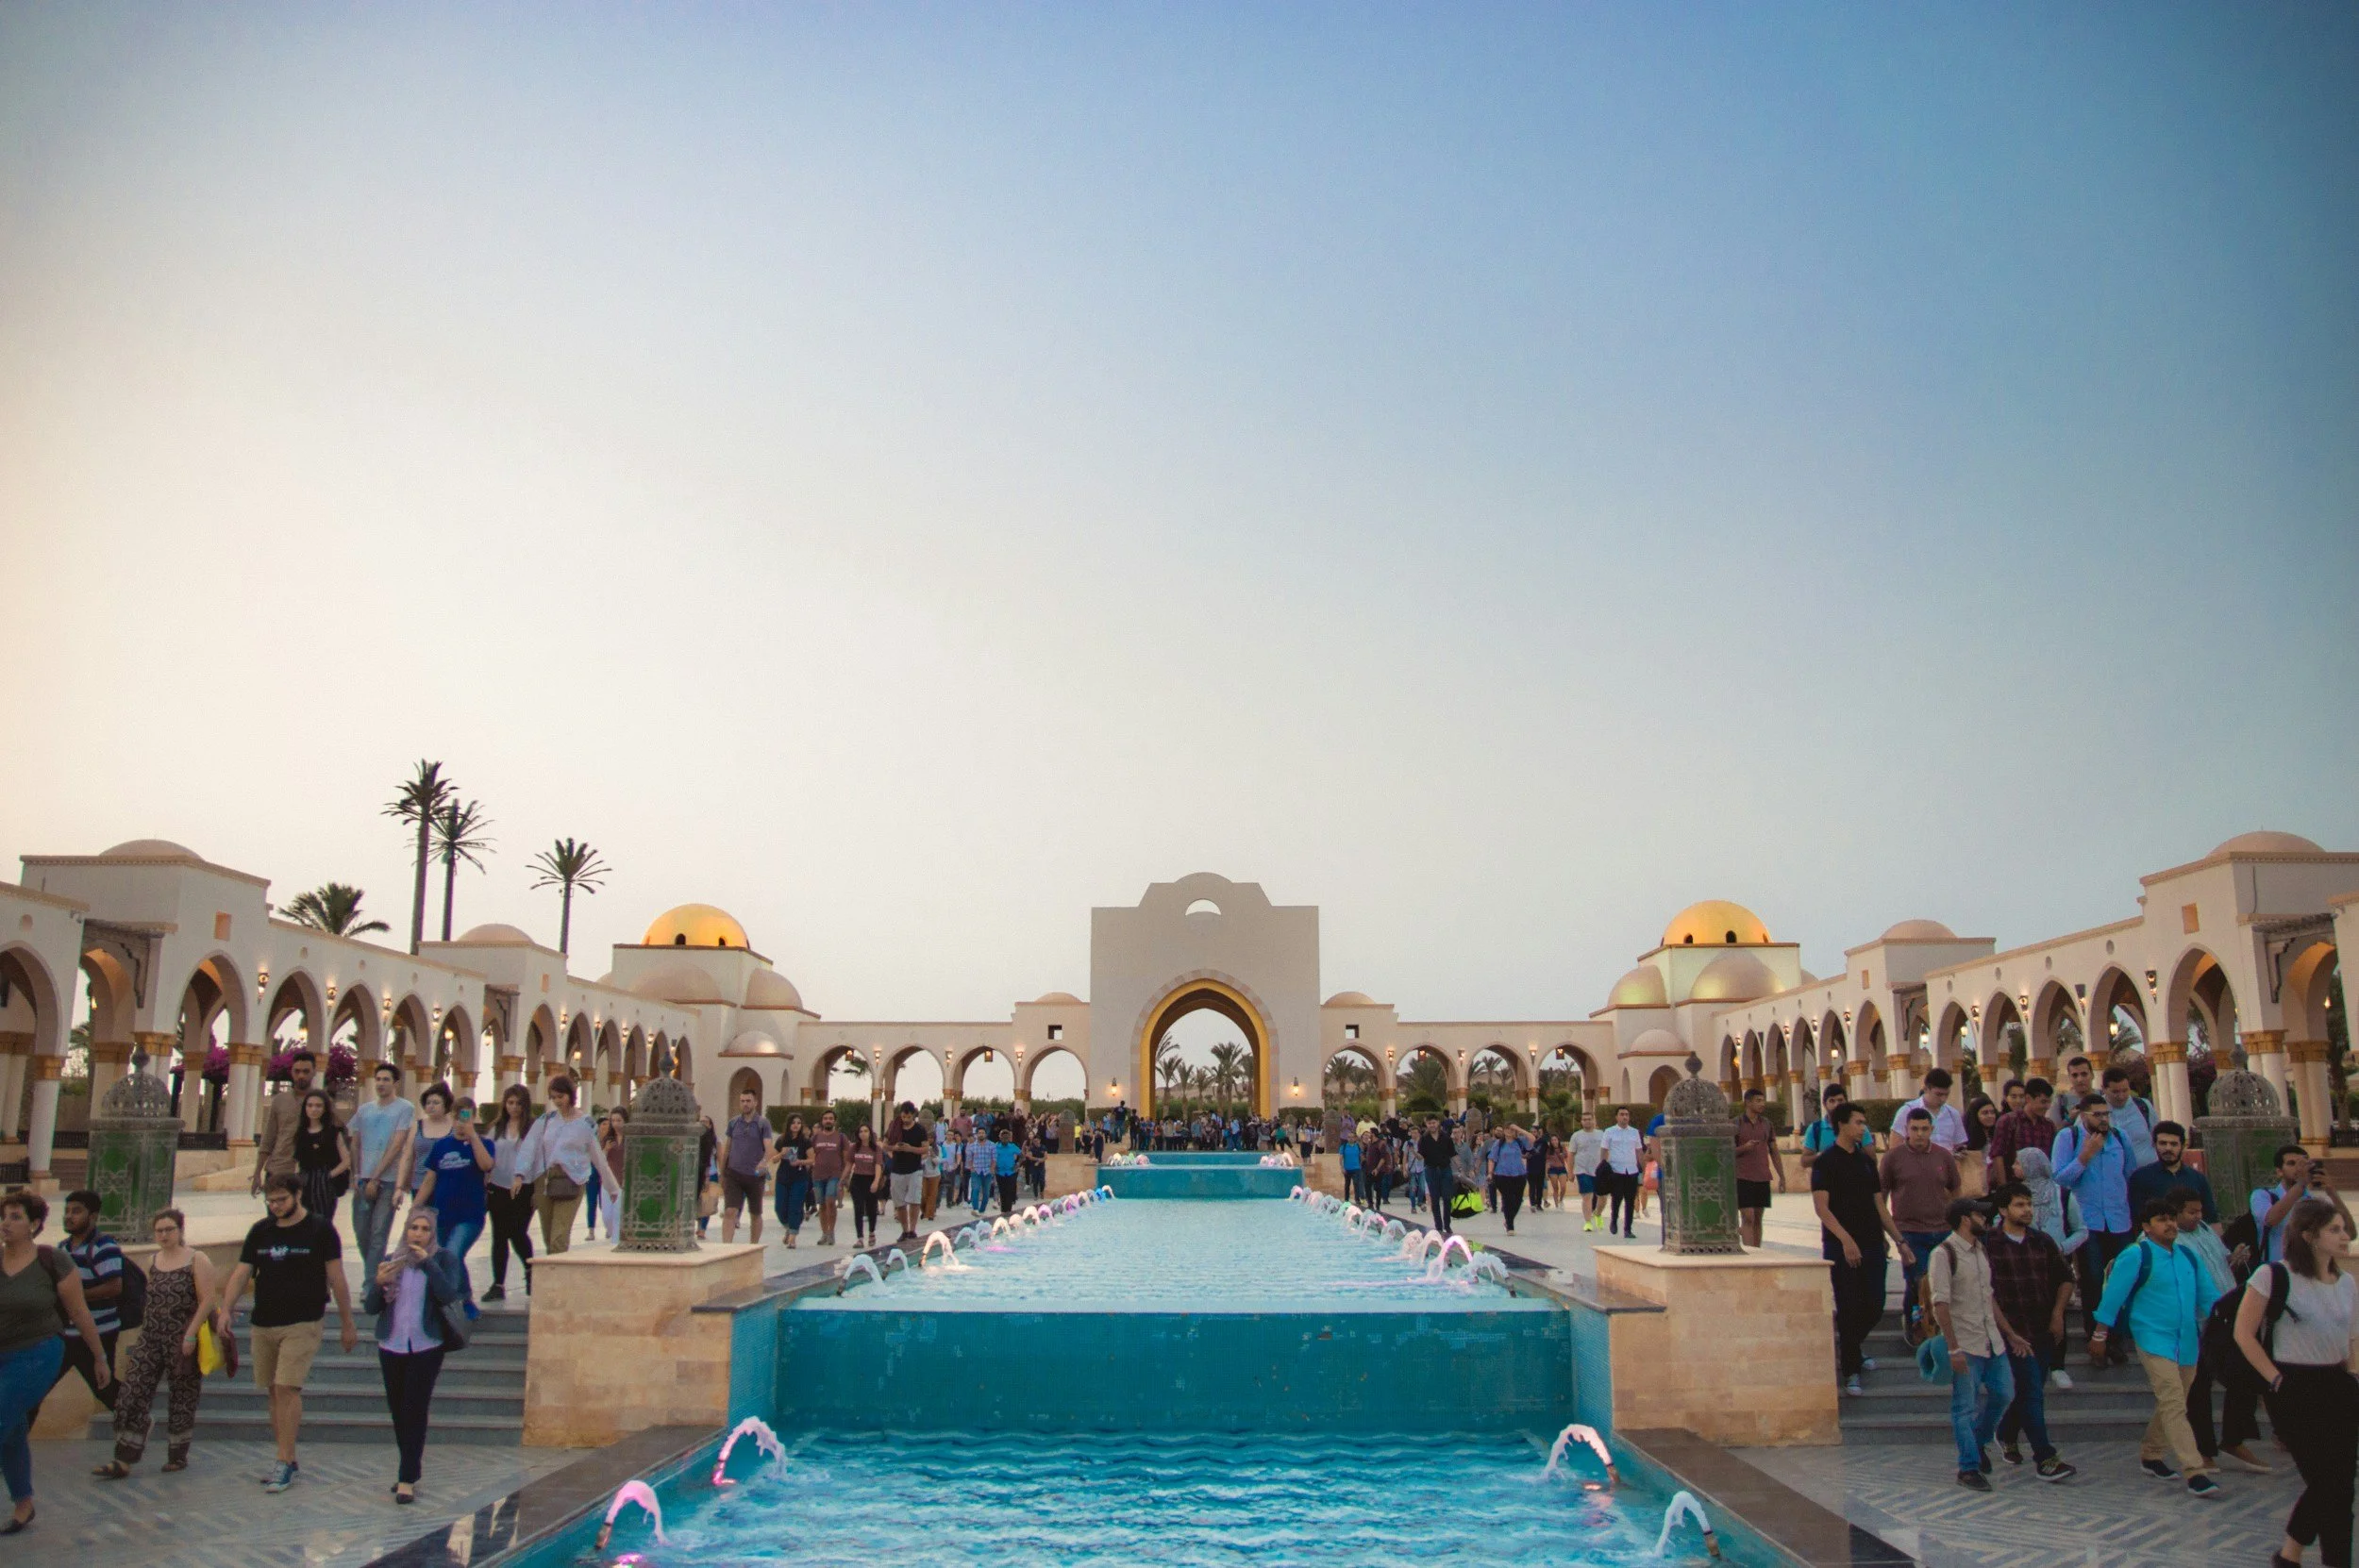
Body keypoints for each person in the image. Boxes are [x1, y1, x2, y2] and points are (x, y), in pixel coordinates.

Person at [2235, 1197, 2359, 1568]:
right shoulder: (2273, 1275)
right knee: (2325, 1482)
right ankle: (2290, 1554)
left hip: (2337, 1382)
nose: (2344, 1236)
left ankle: (2311, 1558)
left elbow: (2351, 1337)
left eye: (2343, 1229)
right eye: (2334, 1230)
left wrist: (2352, 1375)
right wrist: (2275, 1379)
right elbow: (2244, 1333)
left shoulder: (2347, 1282)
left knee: (2342, 1485)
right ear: (2309, 1235)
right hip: (2293, 1386)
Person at [217, 1174, 360, 1493]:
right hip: (264, 1320)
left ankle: (283, 1461)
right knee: (272, 1390)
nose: (275, 1205)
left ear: (297, 1194)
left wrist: (348, 1323)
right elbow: (242, 1272)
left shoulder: (320, 1229)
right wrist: (226, 1308)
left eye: (281, 1199)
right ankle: (287, 1456)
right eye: (270, 1201)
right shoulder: (261, 1231)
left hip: (303, 1320)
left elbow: (336, 1277)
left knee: (287, 1388)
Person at [2091, 1195, 2221, 1498]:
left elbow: (2210, 1297)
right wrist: (2099, 1335)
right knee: (2174, 1400)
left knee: (2175, 1400)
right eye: (2162, 1220)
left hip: (2187, 1340)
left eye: (2172, 1219)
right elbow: (2112, 1298)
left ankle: (2152, 1453)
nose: (2170, 1225)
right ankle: (2195, 1471)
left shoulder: (2188, 1256)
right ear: (2146, 1227)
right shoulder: (2135, 1255)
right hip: (2152, 1338)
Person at [0, 1192, 110, 1532]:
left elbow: (79, 1311)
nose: (6, 1222)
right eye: (4, 1216)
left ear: (34, 1224)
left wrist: (99, 1357)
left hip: (39, 1353)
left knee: (1, 1417)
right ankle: (24, 1503)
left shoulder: (54, 1261)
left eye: (16, 1216)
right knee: (13, 1429)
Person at [93, 1208, 215, 1479]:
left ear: (180, 1230)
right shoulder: (152, 1261)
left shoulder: (197, 1259)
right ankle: (124, 1457)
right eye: (159, 1230)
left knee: (182, 1395)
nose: (163, 1234)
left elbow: (208, 1299)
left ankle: (177, 1455)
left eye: (169, 1229)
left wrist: (191, 1334)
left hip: (182, 1336)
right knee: (131, 1392)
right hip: (150, 1336)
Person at [363, 1207, 467, 1505]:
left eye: (424, 1229)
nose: (418, 1234)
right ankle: (410, 1466)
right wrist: (379, 1283)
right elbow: (372, 1308)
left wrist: (429, 1265)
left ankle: (406, 1476)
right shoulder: (391, 1260)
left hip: (426, 1345)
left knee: (414, 1408)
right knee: (398, 1409)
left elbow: (449, 1295)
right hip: (392, 1344)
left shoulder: (444, 1259)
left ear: (433, 1233)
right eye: (413, 1228)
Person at [1929, 1196, 2027, 1491]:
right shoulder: (1944, 1254)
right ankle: (1968, 1467)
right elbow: (1941, 1304)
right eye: (1979, 1215)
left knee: (2004, 1393)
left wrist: (2009, 1333)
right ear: (1963, 1218)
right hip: (1966, 1343)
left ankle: (1979, 1441)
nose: (1985, 1220)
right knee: (1964, 1406)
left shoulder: (1979, 1250)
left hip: (1991, 1342)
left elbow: (1989, 1297)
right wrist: (1953, 1347)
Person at [1982, 1182, 2079, 1480]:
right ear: (2003, 1210)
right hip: (2010, 1331)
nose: (2026, 1210)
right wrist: (2008, 1332)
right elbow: (1985, 1292)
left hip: (2041, 1329)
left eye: (2028, 1204)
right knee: (2031, 1391)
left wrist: (2058, 1314)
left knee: (2028, 1391)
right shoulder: (1989, 1243)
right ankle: (2045, 1458)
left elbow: (2065, 1278)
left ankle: (2006, 1431)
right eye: (2019, 1205)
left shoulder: (2042, 1241)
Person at [1813, 1102, 1911, 1397]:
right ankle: (1852, 1369)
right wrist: (1845, 1240)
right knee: (1848, 1305)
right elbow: (1822, 1208)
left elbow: (1879, 1204)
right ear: (1841, 1124)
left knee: (1875, 1303)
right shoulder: (1826, 1162)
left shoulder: (1866, 1162)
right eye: (1858, 1122)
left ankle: (1851, 1345)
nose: (1863, 1127)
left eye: (1864, 1122)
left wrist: (1900, 1241)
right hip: (1841, 1245)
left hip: (1871, 1242)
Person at [2181, 1198, 2269, 1475]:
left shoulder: (2206, 1230)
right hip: (2198, 1321)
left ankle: (2234, 1439)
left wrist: (2234, 1260)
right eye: (2191, 1212)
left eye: (2199, 1211)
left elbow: (2221, 1264)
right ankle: (2204, 1450)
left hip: (2226, 1314)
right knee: (2200, 1386)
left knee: (2244, 1375)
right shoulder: (2176, 1241)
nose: (2197, 1216)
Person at [2053, 1093, 2135, 1361]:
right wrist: (2084, 1157)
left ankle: (2117, 1338)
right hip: (2087, 1222)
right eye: (2097, 1115)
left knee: (2121, 1280)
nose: (2103, 1120)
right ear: (2084, 1115)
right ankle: (2094, 1338)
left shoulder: (2120, 1138)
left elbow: (2130, 1174)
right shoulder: (2069, 1138)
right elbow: (2060, 1179)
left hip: (2119, 1219)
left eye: (2106, 1114)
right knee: (2093, 1282)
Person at [513, 1075, 615, 1256]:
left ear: (570, 1095)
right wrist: (519, 1174)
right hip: (545, 1181)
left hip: (572, 1180)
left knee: (559, 1238)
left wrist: (612, 1188)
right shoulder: (546, 1120)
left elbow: (598, 1158)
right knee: (548, 1236)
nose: (557, 1101)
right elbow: (529, 1147)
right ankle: (555, 1272)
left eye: (561, 1096)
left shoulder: (585, 1123)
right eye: (553, 1097)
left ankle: (556, 1279)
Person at [410, 1087, 492, 1315]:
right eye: (457, 1116)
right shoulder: (441, 1146)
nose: (460, 1122)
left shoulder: (483, 1144)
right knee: (448, 1256)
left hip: (470, 1215)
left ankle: (453, 1302)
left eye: (466, 1116)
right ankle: (464, 1298)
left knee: (455, 1252)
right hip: (443, 1214)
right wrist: (415, 1208)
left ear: (473, 1117)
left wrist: (473, 1136)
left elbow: (487, 1166)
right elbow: (429, 1180)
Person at [1881, 1107, 1960, 1338]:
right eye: (1914, 1129)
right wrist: (1888, 1234)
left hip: (1942, 1231)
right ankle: (1915, 1327)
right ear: (1906, 1129)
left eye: (1924, 1129)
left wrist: (1957, 1224)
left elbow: (1955, 1189)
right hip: (1910, 1232)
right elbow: (1881, 1197)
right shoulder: (1893, 1158)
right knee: (1917, 1282)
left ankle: (1941, 1330)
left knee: (1943, 1283)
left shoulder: (1943, 1156)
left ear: (1932, 1130)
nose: (1919, 1134)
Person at [2014, 1146, 2086, 1393]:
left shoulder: (2063, 1195)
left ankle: (2058, 1366)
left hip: (2055, 1266)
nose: (2014, 1168)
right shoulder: (2015, 1197)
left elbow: (2082, 1230)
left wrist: (2062, 1248)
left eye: (2018, 1163)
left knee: (2057, 1315)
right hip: (2023, 1267)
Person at [49, 1190, 123, 1419]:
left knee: (104, 1387)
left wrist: (76, 1297)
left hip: (99, 1331)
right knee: (38, 1386)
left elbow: (114, 1287)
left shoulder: (104, 1247)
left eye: (77, 1211)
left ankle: (135, 1418)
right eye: (67, 1211)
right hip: (65, 1332)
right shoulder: (62, 1249)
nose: (69, 1216)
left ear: (93, 1216)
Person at [347, 1061, 416, 1283]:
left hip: (386, 1181)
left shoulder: (404, 1108)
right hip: (363, 1180)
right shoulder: (364, 1110)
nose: (381, 1083)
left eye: (386, 1079)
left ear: (395, 1083)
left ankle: (371, 1283)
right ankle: (380, 1272)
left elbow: (397, 1145)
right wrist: (357, 1175)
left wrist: (376, 1177)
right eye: (378, 1079)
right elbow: (355, 1143)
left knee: (378, 1234)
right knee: (362, 1234)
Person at [2257, 1145, 2357, 1265]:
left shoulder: (2314, 1202)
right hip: (2276, 1273)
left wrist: (2333, 1193)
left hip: (2308, 1273)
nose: (2298, 1168)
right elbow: (2271, 1219)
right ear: (2279, 1172)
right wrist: (2301, 1183)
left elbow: (2349, 1234)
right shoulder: (2263, 1196)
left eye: (2303, 1164)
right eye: (2292, 1163)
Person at [482, 1084, 536, 1301]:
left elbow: (536, 1157)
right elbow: (486, 1154)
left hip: (524, 1187)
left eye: (518, 1103)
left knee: (517, 1231)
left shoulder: (532, 1129)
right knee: (499, 1235)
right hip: (499, 1187)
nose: (514, 1107)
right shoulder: (496, 1128)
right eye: (510, 1102)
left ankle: (530, 1269)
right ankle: (498, 1283)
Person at [249, 1048, 321, 1197]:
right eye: (297, 1071)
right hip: (278, 1170)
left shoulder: (321, 1102)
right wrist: (257, 1173)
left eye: (306, 1071)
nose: (301, 1075)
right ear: (292, 1072)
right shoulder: (280, 1101)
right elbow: (268, 1139)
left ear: (314, 1072)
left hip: (309, 1174)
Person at [2128, 1121, 2217, 1225]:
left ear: (2183, 1146)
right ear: (2154, 1144)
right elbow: (2136, 1218)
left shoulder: (2197, 1179)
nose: (2168, 1148)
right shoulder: (2141, 1178)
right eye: (2163, 1143)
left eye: (2173, 1144)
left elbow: (2211, 1218)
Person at [1732, 1089, 1786, 1249]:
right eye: (1758, 1100)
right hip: (1743, 1176)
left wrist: (1781, 1176)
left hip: (1762, 1176)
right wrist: (1744, 1148)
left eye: (1763, 1100)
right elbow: (1727, 1151)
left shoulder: (1767, 1124)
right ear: (1748, 1102)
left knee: (1758, 1218)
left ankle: (1757, 1251)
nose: (1762, 1104)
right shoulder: (1736, 1124)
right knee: (1748, 1216)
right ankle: (1749, 1253)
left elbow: (1774, 1151)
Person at [719, 1089, 771, 1245]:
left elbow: (768, 1147)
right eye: (742, 1101)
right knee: (730, 1211)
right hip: (734, 1174)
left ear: (755, 1102)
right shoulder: (733, 1123)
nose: (745, 1104)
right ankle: (726, 1247)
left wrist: (764, 1161)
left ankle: (753, 1246)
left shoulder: (762, 1123)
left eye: (748, 1101)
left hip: (755, 1176)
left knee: (755, 1213)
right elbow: (727, 1148)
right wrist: (723, 1173)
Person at [1985, 1078, 2054, 1189]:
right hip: (2015, 1186)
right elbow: (1997, 1156)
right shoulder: (2008, 1121)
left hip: (2041, 1188)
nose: (2047, 1106)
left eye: (2049, 1102)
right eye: (2043, 1102)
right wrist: (2004, 1189)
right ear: (2028, 1099)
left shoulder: (2049, 1125)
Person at [2097, 1064, 2160, 1170]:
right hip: (2114, 1178)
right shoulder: (2094, 1111)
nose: (2121, 1096)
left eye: (2125, 1091)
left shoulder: (2144, 1106)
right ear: (2103, 1089)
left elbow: (2158, 1137)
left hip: (2148, 1173)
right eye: (2115, 1092)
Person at [1896, 1067, 1968, 1154]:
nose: (1943, 1099)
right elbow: (1895, 1145)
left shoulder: (1953, 1114)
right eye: (1938, 1094)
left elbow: (1959, 1144)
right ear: (1926, 1089)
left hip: (1946, 1163)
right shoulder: (1907, 1111)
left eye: (1946, 1095)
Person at [886, 1103, 930, 1243]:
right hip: (897, 1169)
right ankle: (905, 1230)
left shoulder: (919, 1130)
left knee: (914, 1200)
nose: (905, 1119)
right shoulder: (894, 1127)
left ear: (913, 1115)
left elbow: (925, 1149)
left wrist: (910, 1149)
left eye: (908, 1116)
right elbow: (884, 1145)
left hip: (914, 1169)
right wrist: (895, 1148)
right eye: (903, 1116)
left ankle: (912, 1229)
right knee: (899, 1202)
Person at [1600, 1107, 1645, 1240]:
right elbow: (1604, 1149)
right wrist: (1603, 1166)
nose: (1624, 1117)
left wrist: (1643, 1167)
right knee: (1617, 1199)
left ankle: (1628, 1229)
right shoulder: (1609, 1132)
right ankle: (1614, 1221)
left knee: (1630, 1201)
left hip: (1631, 1170)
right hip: (1616, 1170)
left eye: (1626, 1115)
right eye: (1622, 1114)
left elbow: (1639, 1151)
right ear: (1617, 1117)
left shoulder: (1635, 1132)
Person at [809, 1110, 850, 1244]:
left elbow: (846, 1158)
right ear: (822, 1121)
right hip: (818, 1175)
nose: (828, 1121)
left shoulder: (841, 1137)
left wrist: (845, 1177)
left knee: (830, 1201)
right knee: (822, 1205)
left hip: (835, 1175)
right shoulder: (815, 1138)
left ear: (835, 1121)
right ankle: (824, 1233)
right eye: (825, 1118)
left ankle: (831, 1232)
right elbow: (810, 1155)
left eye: (831, 1119)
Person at [771, 1113, 812, 1247]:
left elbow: (813, 1160)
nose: (796, 1125)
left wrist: (800, 1161)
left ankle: (793, 1238)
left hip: (799, 1178)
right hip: (783, 1177)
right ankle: (788, 1227)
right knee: (780, 1208)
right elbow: (773, 1159)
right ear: (788, 1124)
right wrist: (781, 1154)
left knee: (795, 1206)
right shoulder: (781, 1140)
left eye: (798, 1123)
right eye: (793, 1122)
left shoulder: (805, 1141)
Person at [1487, 1124, 1532, 1233]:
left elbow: (1532, 1139)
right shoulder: (1499, 1144)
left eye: (1511, 1129)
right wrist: (1490, 1173)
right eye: (1507, 1129)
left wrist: (1519, 1128)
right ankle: (1510, 1226)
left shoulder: (1519, 1141)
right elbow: (1492, 1159)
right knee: (1508, 1199)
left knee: (1518, 1200)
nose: (1509, 1131)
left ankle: (1508, 1220)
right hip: (1502, 1175)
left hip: (1519, 1174)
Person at [1798, 1082, 1849, 1176]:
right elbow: (1804, 1161)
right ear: (1825, 1104)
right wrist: (1823, 1155)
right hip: (1826, 1186)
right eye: (1832, 1101)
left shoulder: (1858, 1127)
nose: (1837, 1104)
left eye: (1840, 1100)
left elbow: (1872, 1159)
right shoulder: (1815, 1129)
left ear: (1846, 1102)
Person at [845, 1124, 885, 1245]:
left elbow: (878, 1165)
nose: (863, 1133)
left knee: (871, 1208)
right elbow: (849, 1164)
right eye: (861, 1131)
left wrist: (876, 1181)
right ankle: (860, 1238)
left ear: (870, 1133)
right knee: (858, 1208)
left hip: (871, 1178)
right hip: (857, 1179)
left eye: (866, 1131)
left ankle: (871, 1232)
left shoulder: (876, 1149)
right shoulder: (854, 1148)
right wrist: (843, 1179)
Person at [1568, 1111, 1606, 1232]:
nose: (1587, 1121)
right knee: (1587, 1196)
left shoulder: (1602, 1134)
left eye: (1589, 1119)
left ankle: (1598, 1214)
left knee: (1603, 1196)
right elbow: (1571, 1154)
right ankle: (1588, 1222)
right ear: (1581, 1121)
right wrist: (1570, 1171)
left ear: (1594, 1120)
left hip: (1599, 1170)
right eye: (1584, 1119)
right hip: (1582, 1169)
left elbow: (1607, 1150)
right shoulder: (1576, 1136)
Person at [2047, 1056, 2097, 1129]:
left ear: (2092, 1075)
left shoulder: (2104, 1097)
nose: (2080, 1079)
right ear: (2069, 1078)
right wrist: (2069, 1119)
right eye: (2075, 1075)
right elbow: (2053, 1132)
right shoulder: (2061, 1101)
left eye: (2084, 1074)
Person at [992, 1124, 1022, 1217]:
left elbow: (1022, 1156)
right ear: (1000, 1137)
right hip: (1000, 1172)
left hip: (1011, 1172)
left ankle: (1008, 1211)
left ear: (1009, 1138)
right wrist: (994, 1165)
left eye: (1006, 1137)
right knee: (1002, 1191)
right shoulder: (996, 1147)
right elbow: (991, 1156)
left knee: (1009, 1191)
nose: (1005, 1139)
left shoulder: (1012, 1146)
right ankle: (1003, 1211)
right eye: (1003, 1137)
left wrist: (1017, 1164)